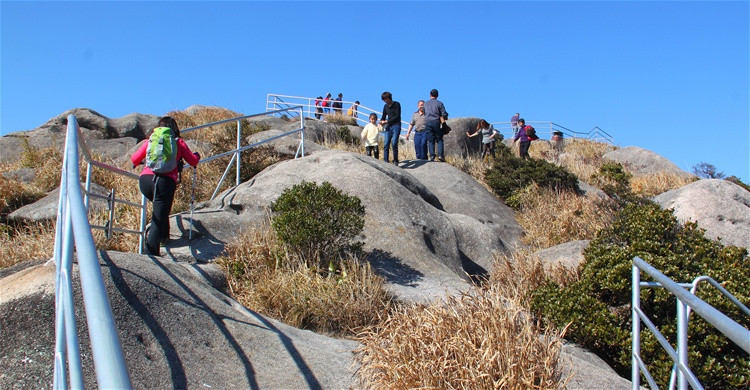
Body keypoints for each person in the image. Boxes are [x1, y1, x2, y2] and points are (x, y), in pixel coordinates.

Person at [131, 116, 200, 256]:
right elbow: (192, 161)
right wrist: (197, 156)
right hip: (165, 182)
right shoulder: (177, 142)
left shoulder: (151, 140)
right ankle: (150, 254)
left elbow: (134, 159)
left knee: (161, 210)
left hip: (145, 180)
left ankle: (164, 236)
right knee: (159, 215)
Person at [424, 88, 449, 162]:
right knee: (439, 139)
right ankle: (441, 155)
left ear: (430, 95)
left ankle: (432, 156)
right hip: (436, 121)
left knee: (430, 140)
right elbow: (444, 113)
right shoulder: (439, 103)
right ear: (437, 95)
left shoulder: (426, 103)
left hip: (428, 122)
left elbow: (424, 112)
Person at [379, 91, 402, 165]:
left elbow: (397, 116)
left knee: (394, 143)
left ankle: (395, 160)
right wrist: (381, 122)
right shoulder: (385, 106)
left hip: (396, 125)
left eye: (385, 99)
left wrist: (386, 121)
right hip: (388, 126)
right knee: (386, 144)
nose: (385, 101)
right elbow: (383, 116)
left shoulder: (397, 104)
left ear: (389, 98)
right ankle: (386, 161)